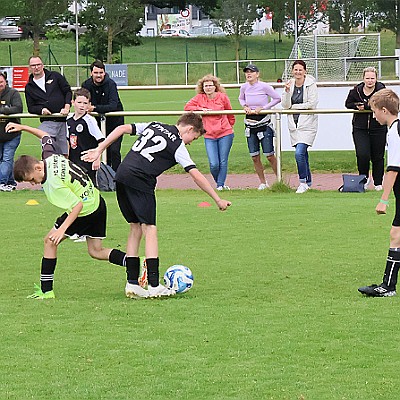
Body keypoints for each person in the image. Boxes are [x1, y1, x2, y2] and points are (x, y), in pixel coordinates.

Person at [81, 113, 231, 298]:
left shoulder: (154, 125)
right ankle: (154, 285)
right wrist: (217, 199)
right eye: (194, 137)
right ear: (190, 129)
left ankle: (132, 283)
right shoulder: (177, 145)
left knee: (135, 228)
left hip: (121, 175)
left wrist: (99, 149)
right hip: (140, 180)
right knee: (150, 229)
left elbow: (122, 128)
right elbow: (196, 175)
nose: (191, 142)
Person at [5, 121, 131, 300]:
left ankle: (46, 291)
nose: (33, 184)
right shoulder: (50, 157)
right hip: (97, 201)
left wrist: (62, 230)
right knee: (95, 251)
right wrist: (23, 127)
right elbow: (45, 136)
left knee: (50, 241)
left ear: (38, 167)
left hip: (85, 210)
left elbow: (76, 206)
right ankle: (134, 262)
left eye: (32, 179)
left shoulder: (54, 183)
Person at [358, 89, 400, 297]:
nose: (374, 116)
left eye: (375, 111)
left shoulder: (394, 132)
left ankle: (388, 287)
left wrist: (383, 200)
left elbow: (393, 169)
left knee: (396, 235)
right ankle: (388, 286)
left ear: (385, 110)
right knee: (397, 235)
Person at [184, 74, 235, 190]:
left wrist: (229, 125)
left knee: (223, 160)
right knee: (213, 163)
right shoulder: (199, 98)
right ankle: (220, 183)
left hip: (225, 133)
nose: (208, 88)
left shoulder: (222, 97)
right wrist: (200, 109)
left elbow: (230, 113)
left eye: (210, 85)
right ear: (202, 87)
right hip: (209, 134)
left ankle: (220, 185)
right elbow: (187, 107)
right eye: (206, 86)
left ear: (215, 86)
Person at [238, 64, 281, 190]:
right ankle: (263, 182)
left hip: (263, 122)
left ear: (257, 74)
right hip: (250, 124)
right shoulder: (244, 87)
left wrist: (263, 108)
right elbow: (241, 98)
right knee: (255, 156)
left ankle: (279, 179)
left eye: (251, 72)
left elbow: (277, 98)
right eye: (247, 72)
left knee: (269, 155)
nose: (249, 74)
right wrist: (245, 106)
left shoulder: (264, 86)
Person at [345, 66, 387, 191]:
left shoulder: (381, 89)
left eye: (372, 78)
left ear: (376, 79)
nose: (370, 81)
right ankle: (363, 179)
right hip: (360, 128)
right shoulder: (356, 90)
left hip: (378, 127)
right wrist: (356, 106)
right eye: (367, 78)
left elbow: (382, 102)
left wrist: (367, 105)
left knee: (378, 156)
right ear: (363, 79)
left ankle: (378, 182)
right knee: (362, 154)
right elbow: (347, 104)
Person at [281, 60, 318, 194]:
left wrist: (295, 107)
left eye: (300, 70)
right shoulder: (289, 84)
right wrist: (285, 92)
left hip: (307, 124)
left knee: (299, 153)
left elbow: (312, 103)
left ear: (305, 71)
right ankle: (308, 182)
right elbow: (285, 106)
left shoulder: (311, 84)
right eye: (295, 70)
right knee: (303, 154)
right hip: (294, 124)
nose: (298, 72)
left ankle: (302, 182)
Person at [24, 55, 72, 156]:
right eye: (33, 65)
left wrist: (67, 107)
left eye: (38, 64)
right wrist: (41, 110)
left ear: (43, 65)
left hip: (63, 121)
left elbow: (67, 91)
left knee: (64, 154)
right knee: (49, 153)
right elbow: (31, 108)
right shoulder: (29, 87)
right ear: (29, 68)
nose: (36, 67)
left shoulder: (55, 76)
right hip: (47, 122)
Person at [82, 60, 124, 172]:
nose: (99, 75)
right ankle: (95, 176)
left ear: (104, 72)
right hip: (95, 123)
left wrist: (95, 108)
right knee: (94, 149)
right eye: (96, 73)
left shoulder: (110, 84)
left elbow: (113, 105)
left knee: (114, 151)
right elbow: (82, 100)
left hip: (115, 122)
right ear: (91, 73)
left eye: (101, 72)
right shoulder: (86, 85)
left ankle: (116, 177)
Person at [67, 88, 104, 184]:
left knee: (90, 186)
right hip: (73, 159)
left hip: (88, 160)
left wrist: (97, 158)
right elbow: (68, 140)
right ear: (73, 102)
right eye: (79, 102)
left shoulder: (89, 120)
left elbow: (101, 140)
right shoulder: (69, 119)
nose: (82, 106)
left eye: (85, 103)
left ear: (89, 104)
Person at [0, 72, 23, 191]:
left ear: (5, 82)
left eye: (1, 82)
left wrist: (3, 110)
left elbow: (18, 108)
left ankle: (1, 183)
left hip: (12, 134)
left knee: (7, 158)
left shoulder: (13, 93)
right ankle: (10, 182)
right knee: (2, 159)